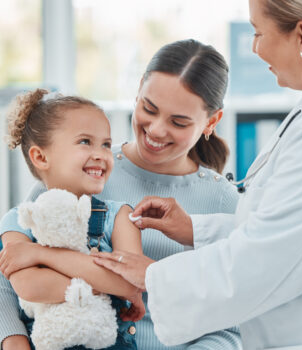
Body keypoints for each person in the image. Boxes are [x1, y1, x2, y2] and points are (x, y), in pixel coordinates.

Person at [89, 1, 302, 349]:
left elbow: (267, 256)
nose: (254, 47)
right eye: (149, 108)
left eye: (258, 32)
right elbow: (284, 227)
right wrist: (194, 229)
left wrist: (153, 275)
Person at [0, 40, 241, 350]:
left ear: (211, 121)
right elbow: (8, 272)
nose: (155, 130)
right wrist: (13, 339)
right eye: (148, 109)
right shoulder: (82, 172)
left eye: (178, 122)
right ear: (139, 89)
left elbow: (230, 325)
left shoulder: (222, 202)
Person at [0, 89, 145, 350]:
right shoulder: (18, 221)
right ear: (41, 157)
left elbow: (130, 282)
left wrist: (40, 255)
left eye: (105, 143)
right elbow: (29, 287)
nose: (101, 153)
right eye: (85, 142)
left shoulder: (121, 216)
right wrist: (105, 286)